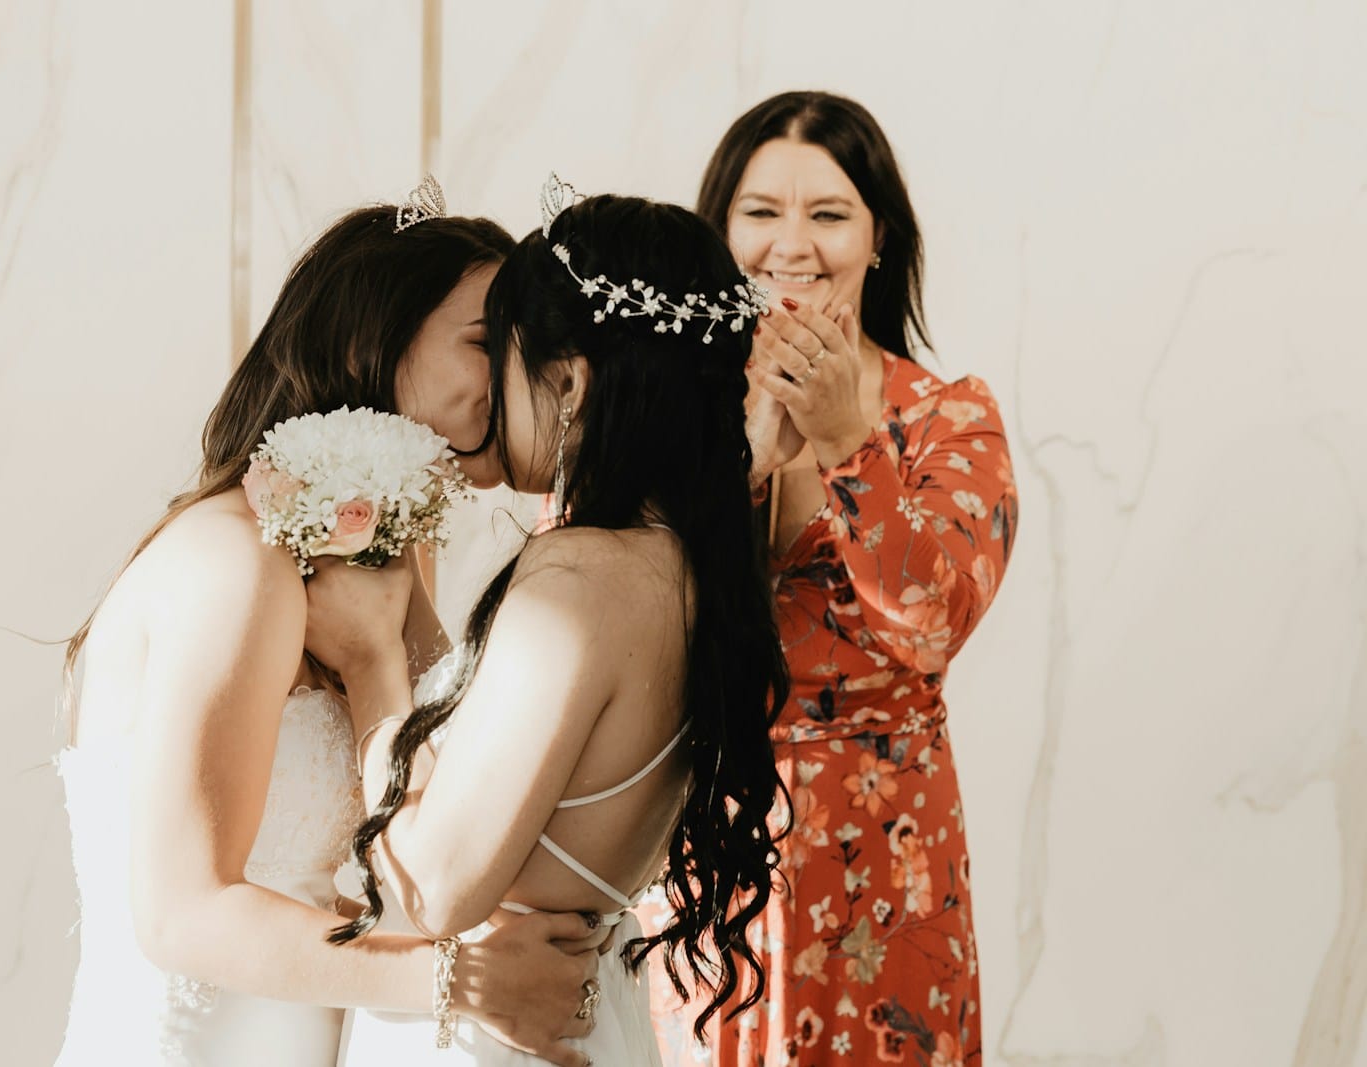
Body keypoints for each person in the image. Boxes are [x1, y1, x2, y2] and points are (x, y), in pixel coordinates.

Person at [54, 187, 603, 1067]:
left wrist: (380, 643)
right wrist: (456, 978)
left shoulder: (383, 559)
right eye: (480, 342)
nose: (508, 377)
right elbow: (181, 912)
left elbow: (428, 815)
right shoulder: (238, 562)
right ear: (366, 338)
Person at [303, 190, 791, 1065]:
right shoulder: (681, 568)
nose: (490, 391)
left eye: (503, 353)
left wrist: (370, 657)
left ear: (569, 380)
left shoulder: (577, 583)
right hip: (582, 1021)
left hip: (483, 1039)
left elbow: (439, 887)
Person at [641, 92, 1020, 1066]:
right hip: (697, 827)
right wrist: (747, 463)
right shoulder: (659, 415)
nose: (790, 244)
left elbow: (933, 620)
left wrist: (851, 440)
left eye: (828, 212)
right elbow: (605, 600)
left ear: (879, 234)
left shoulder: (948, 418)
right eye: (760, 211)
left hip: (883, 846)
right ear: (719, 229)